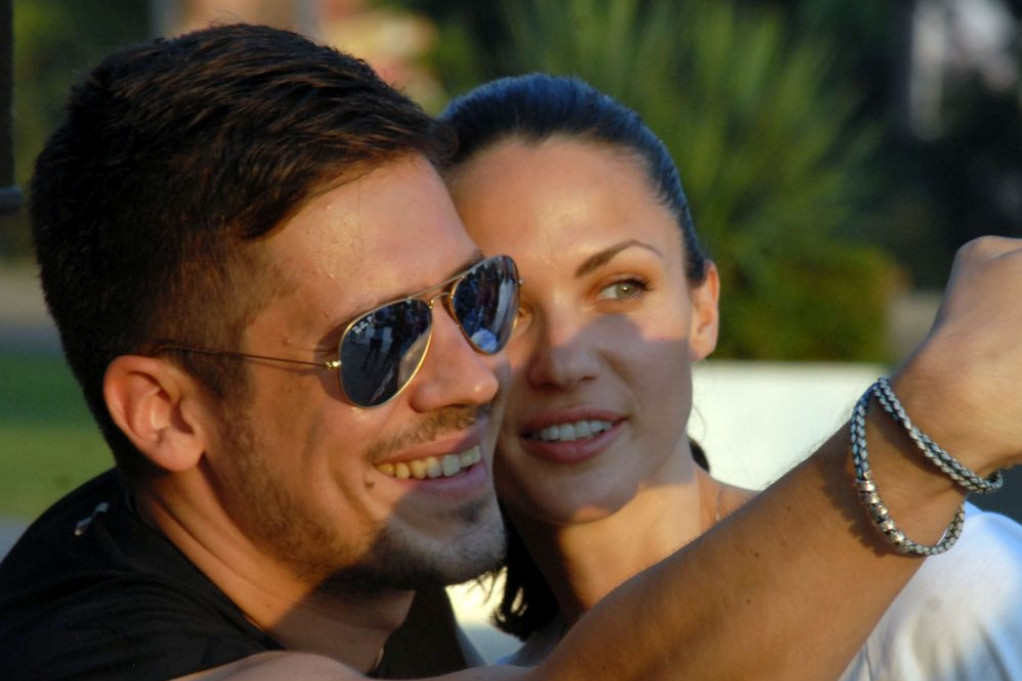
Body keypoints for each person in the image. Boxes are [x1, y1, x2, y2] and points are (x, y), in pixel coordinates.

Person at [4, 22, 1022, 681]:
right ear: (166, 413)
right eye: (380, 339)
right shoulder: (107, 649)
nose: (475, 373)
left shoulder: (358, 560)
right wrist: (925, 431)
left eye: (472, 299)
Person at [439, 73, 1022, 678]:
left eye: (621, 287)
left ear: (704, 309)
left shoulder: (950, 597)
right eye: (497, 307)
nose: (564, 362)